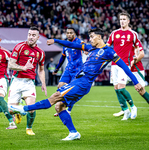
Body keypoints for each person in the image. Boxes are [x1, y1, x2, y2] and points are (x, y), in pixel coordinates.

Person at [9, 28, 143, 141]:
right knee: (59, 106)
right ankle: (73, 133)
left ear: (99, 37)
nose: (90, 39)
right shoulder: (90, 48)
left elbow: (125, 67)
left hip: (83, 82)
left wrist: (136, 82)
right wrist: (55, 41)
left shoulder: (109, 51)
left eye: (92, 37)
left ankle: (24, 109)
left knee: (55, 96)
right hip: (79, 81)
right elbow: (73, 45)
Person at [8, 26, 47, 135]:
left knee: (31, 108)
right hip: (16, 81)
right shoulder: (19, 47)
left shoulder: (40, 53)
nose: (31, 37)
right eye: (29, 34)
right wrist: (23, 68)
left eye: (33, 35)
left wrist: (43, 82)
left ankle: (29, 128)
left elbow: (41, 70)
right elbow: (10, 65)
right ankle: (19, 111)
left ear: (38, 37)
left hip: (29, 83)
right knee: (10, 110)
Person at [107, 12, 140, 120]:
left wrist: (136, 56)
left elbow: (137, 48)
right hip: (114, 64)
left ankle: (133, 107)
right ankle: (125, 111)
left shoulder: (133, 34)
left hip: (125, 64)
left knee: (121, 88)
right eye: (121, 19)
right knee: (116, 88)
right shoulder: (114, 33)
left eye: (124, 19)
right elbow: (107, 46)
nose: (122, 21)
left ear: (128, 21)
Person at [113, 40, 149, 117]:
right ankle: (124, 110)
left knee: (141, 90)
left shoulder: (135, 40)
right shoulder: (122, 42)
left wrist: (134, 61)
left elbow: (142, 54)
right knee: (118, 87)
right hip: (124, 68)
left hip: (136, 69)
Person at [53, 27, 83, 117]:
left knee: (72, 90)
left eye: (71, 33)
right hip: (68, 69)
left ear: (74, 34)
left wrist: (86, 50)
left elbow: (84, 46)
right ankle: (61, 107)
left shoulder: (78, 42)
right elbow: (63, 57)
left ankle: (68, 109)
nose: (69, 34)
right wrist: (57, 68)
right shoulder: (65, 44)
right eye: (67, 33)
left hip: (77, 70)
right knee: (60, 87)